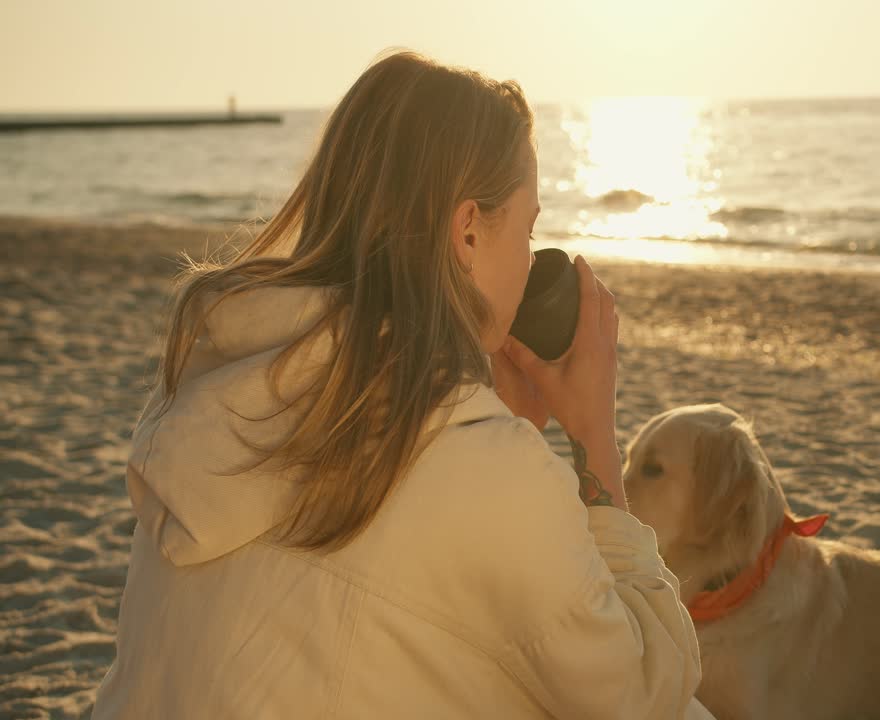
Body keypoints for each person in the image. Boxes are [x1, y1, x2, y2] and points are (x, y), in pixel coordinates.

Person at [89, 50, 714, 719]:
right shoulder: (488, 472)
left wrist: (500, 420)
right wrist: (590, 431)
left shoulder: (216, 379)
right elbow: (643, 694)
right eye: (527, 229)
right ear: (468, 231)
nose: (531, 261)